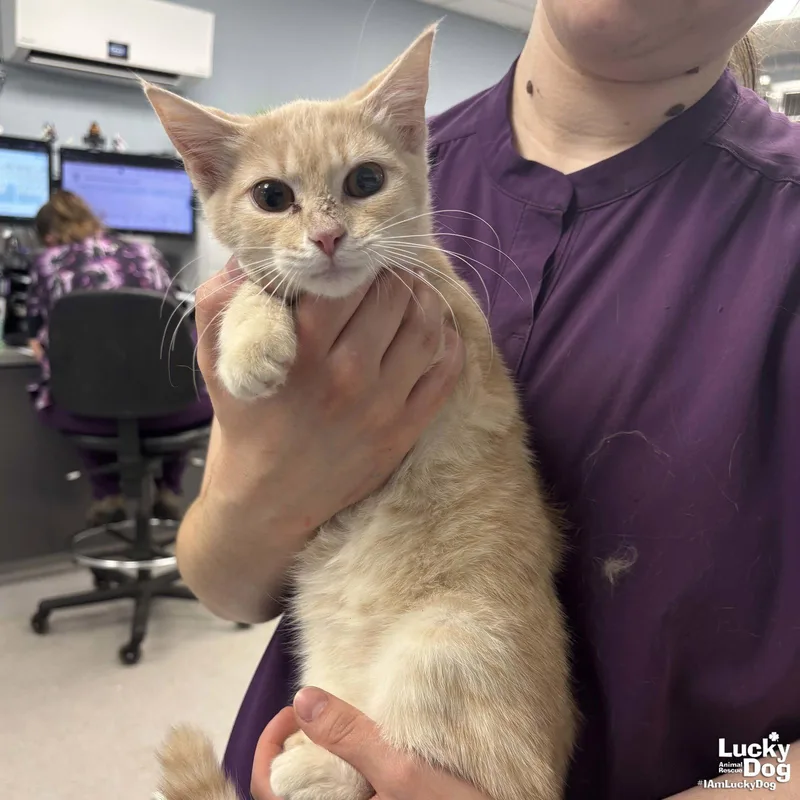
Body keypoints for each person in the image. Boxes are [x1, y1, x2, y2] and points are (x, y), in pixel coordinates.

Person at [178, 1, 800, 798]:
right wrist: (270, 484)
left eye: (359, 189)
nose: (327, 226)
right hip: (318, 733)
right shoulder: (393, 154)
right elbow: (222, 585)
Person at [28, 190, 212, 526]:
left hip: (86, 414)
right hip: (178, 410)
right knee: (182, 360)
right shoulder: (146, 253)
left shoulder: (46, 262)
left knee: (77, 376)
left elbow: (38, 337)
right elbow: (173, 332)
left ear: (49, 237)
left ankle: (107, 492)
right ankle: (169, 486)